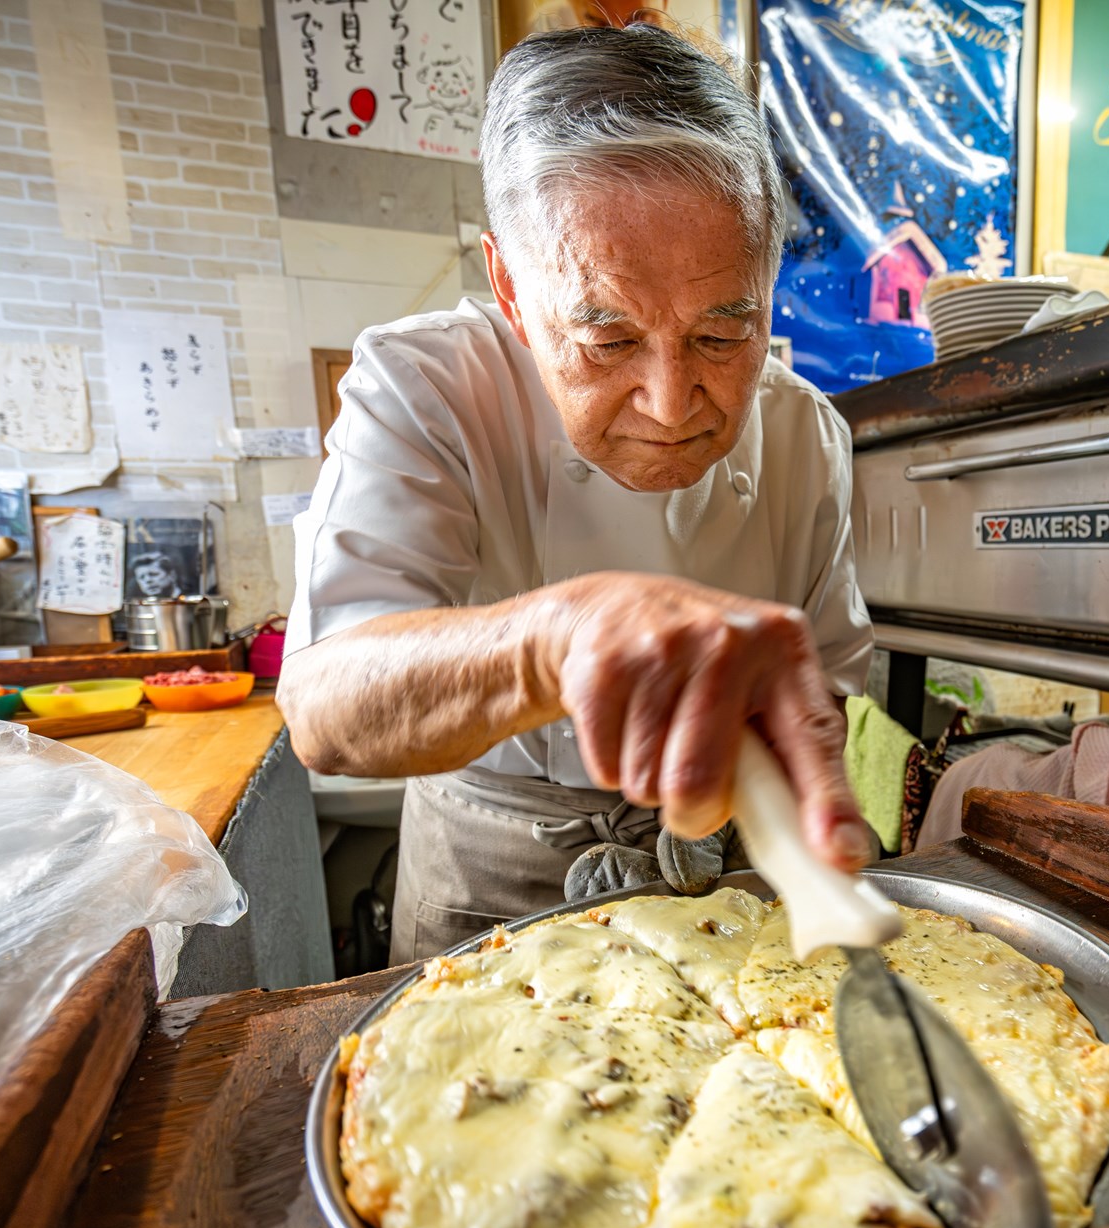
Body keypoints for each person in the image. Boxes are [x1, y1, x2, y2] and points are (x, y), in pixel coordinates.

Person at [280, 23, 875, 963]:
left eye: (725, 335)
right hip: (487, 884)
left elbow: (831, 690)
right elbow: (324, 708)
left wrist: (810, 784)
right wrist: (562, 638)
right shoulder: (426, 385)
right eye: (607, 339)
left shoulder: (806, 434)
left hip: (730, 884)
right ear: (512, 292)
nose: (672, 402)